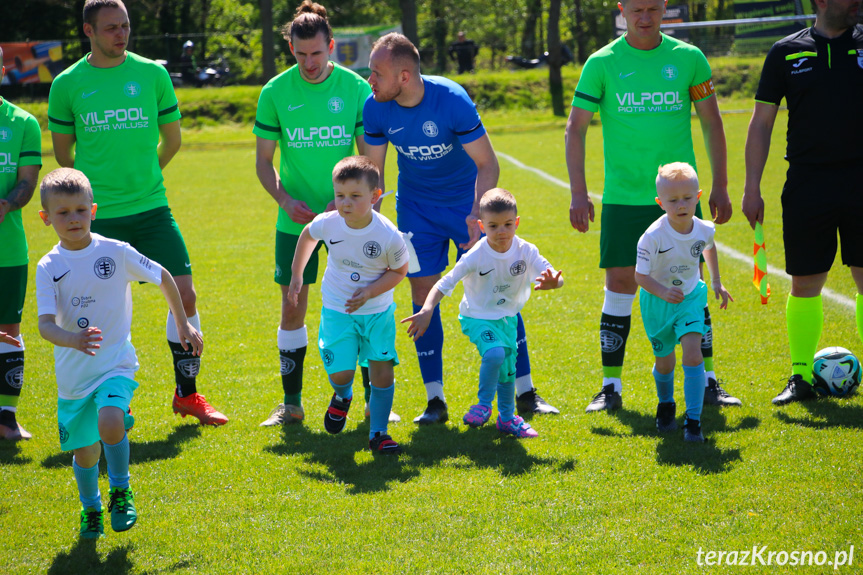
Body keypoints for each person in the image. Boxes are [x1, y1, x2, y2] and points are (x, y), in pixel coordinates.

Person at [364, 32, 558, 425]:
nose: (370, 80)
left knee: (497, 289)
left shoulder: (451, 99)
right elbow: (373, 175)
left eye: (376, 73)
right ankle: (435, 401)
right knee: (422, 294)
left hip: (465, 204)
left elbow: (488, 163)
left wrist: (476, 216)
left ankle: (525, 393)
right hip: (417, 210)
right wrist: (372, 227)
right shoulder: (375, 108)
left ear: (404, 76)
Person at [48, 0, 226, 426]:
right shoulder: (67, 84)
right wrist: (93, 200)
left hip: (151, 208)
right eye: (110, 27)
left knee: (185, 294)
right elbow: (63, 156)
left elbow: (173, 140)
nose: (121, 34)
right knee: (100, 307)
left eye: (125, 26)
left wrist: (145, 179)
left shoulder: (152, 74)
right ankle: (111, 398)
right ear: (88, 31)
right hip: (98, 217)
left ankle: (188, 395)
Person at [564, 0, 740, 414]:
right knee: (621, 284)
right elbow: (576, 127)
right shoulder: (602, 62)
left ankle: (709, 380)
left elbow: (712, 121)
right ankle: (610, 387)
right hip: (624, 197)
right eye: (636, 9)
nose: (645, 17)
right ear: (622, 9)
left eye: (653, 9)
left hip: (681, 196)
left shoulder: (688, 58)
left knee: (690, 285)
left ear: (665, 8)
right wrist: (578, 192)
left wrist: (720, 185)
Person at [35, 168, 203, 539]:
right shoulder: (48, 267)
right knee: (85, 454)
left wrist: (183, 324)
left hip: (115, 363)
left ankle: (121, 490)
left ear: (93, 210)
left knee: (110, 421)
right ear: (46, 218)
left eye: (80, 210)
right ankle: (90, 507)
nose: (73, 219)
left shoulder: (115, 252)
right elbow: (44, 325)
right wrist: (72, 339)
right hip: (73, 377)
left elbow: (163, 276)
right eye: (63, 213)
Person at [255, 1, 391, 427]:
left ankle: (373, 401)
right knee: (293, 306)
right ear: (291, 50)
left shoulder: (355, 89)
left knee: (364, 306)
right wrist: (283, 199)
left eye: (316, 53)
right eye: (300, 55)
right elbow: (263, 162)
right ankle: (291, 404)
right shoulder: (275, 92)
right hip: (294, 223)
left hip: (352, 220)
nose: (309, 63)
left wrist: (355, 206)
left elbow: (371, 161)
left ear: (330, 46)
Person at [742, 0, 863, 405]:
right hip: (808, 182)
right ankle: (800, 378)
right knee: (806, 282)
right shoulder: (785, 52)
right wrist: (752, 187)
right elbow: (762, 122)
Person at [403, 188, 563, 438]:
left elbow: (551, 274)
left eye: (508, 224)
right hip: (477, 318)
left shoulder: (526, 250)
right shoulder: (475, 255)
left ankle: (508, 418)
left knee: (508, 369)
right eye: (493, 225)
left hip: (507, 320)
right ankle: (484, 404)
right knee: (495, 353)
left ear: (517, 222)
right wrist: (427, 309)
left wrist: (555, 283)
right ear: (481, 225)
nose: (502, 231)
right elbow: (444, 283)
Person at [287, 156, 408, 453]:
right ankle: (343, 396)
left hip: (377, 312)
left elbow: (399, 271)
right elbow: (307, 236)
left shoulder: (388, 235)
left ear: (375, 196)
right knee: (341, 374)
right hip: (338, 310)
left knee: (382, 369)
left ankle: (378, 433)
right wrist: (296, 275)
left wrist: (369, 292)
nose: (345, 203)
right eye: (340, 195)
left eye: (355, 196)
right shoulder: (329, 224)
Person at [635, 163, 732, 442]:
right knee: (665, 363)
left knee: (692, 353)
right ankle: (666, 404)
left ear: (698, 196)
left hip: (690, 297)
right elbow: (640, 276)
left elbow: (709, 249)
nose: (681, 205)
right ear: (660, 202)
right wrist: (663, 291)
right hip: (657, 303)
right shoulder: (652, 237)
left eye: (687, 198)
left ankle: (693, 421)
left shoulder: (704, 229)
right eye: (673, 200)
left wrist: (716, 282)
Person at [0, 47, 41, 441]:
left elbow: (28, 180)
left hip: (7, 249)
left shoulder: (23, 122)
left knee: (8, 330)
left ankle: (6, 418)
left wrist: (8, 203)